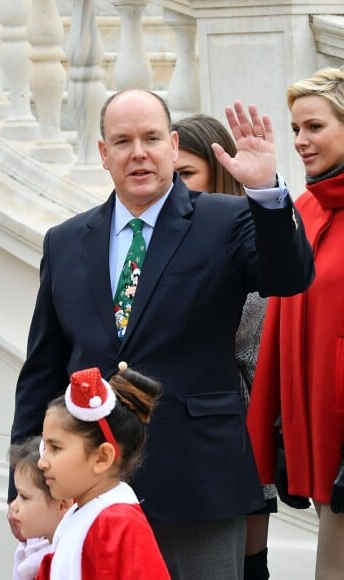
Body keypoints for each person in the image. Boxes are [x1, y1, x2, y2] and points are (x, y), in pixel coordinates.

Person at [9, 88, 315, 579]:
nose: (139, 152)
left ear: (173, 146)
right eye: (123, 141)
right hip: (89, 492)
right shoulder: (65, 241)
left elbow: (289, 276)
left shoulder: (225, 218)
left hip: (198, 485)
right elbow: (42, 372)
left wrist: (266, 195)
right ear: (103, 153)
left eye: (151, 138)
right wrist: (24, 485)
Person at [247, 67, 344, 580]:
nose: (301, 141)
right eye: (295, 129)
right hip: (320, 452)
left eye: (315, 127)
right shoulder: (303, 208)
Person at [174, 114, 277, 580]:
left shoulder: (249, 248)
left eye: (185, 174)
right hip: (166, 452)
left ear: (220, 174)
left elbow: (248, 355)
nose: (172, 187)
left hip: (240, 447)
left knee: (247, 568)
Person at [35, 365, 170, 579]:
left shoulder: (119, 523)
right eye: (44, 447)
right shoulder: (79, 512)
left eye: (55, 448)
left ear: (102, 458)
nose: (42, 462)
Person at [9, 436, 72, 580]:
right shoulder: (28, 547)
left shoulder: (68, 561)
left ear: (62, 505)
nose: (13, 505)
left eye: (24, 496)